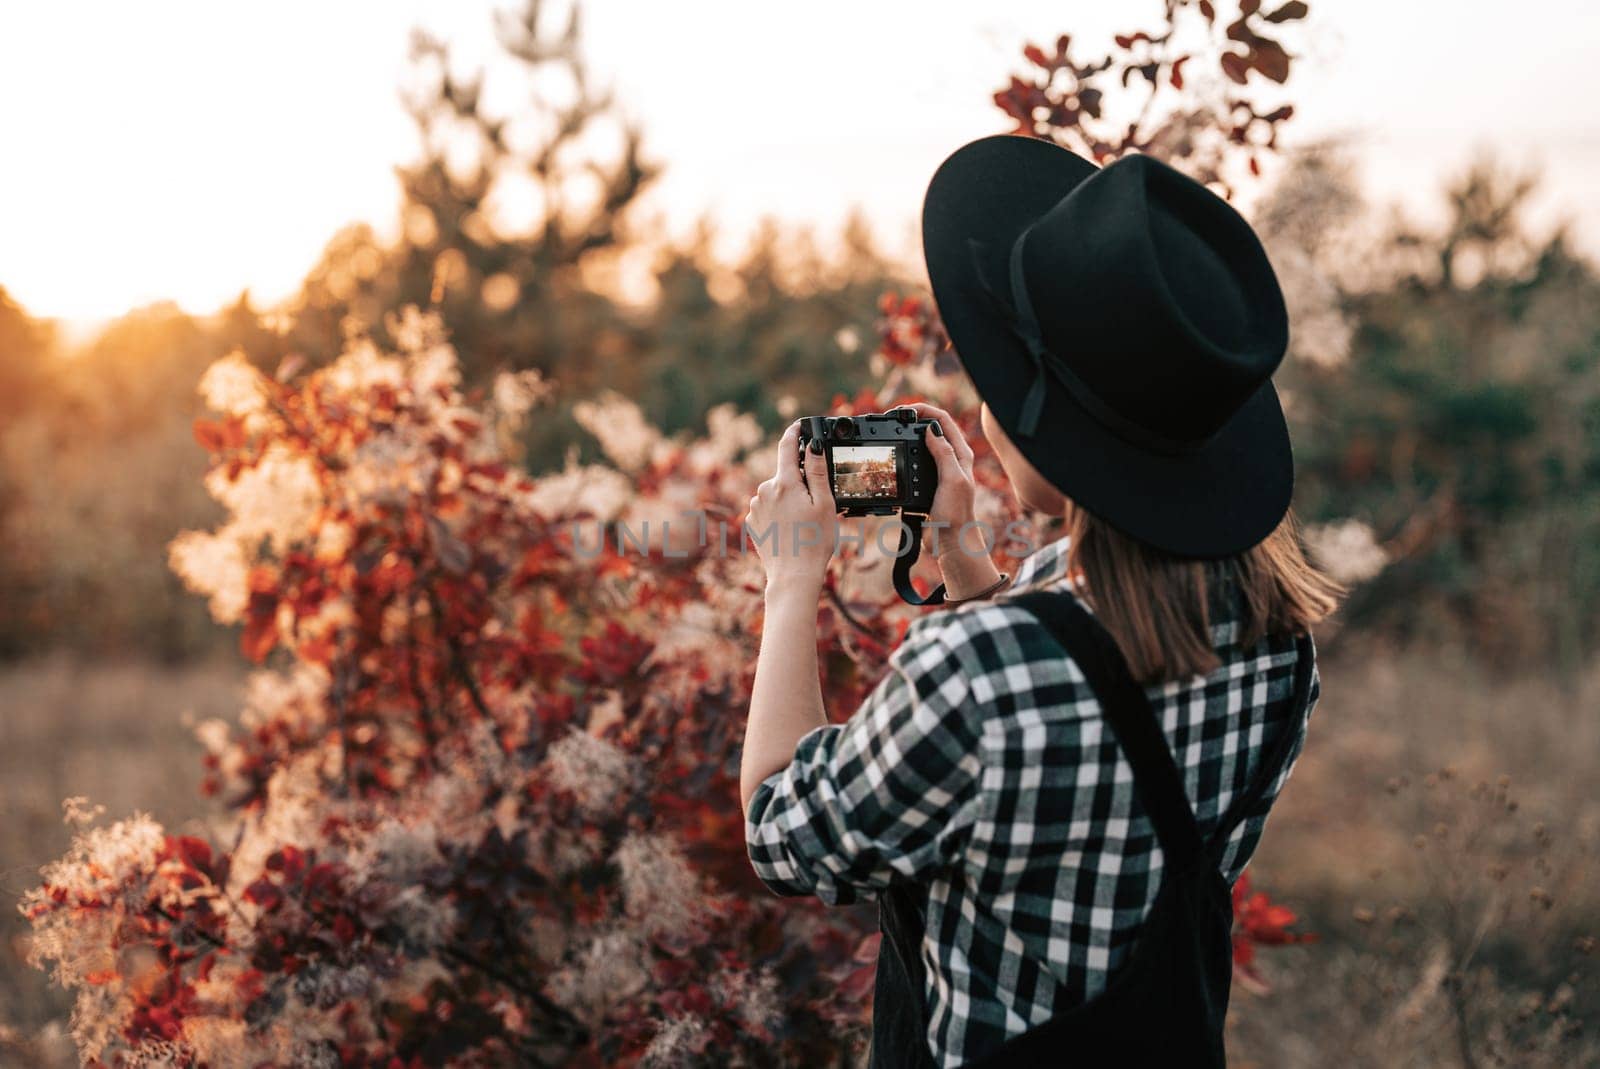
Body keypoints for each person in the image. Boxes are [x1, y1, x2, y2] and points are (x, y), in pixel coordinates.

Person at [739, 135, 1342, 1068]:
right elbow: (1085, 696)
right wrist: (959, 545)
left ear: (1037, 431)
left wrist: (790, 582)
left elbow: (783, 832)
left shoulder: (979, 674)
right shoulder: (1277, 638)